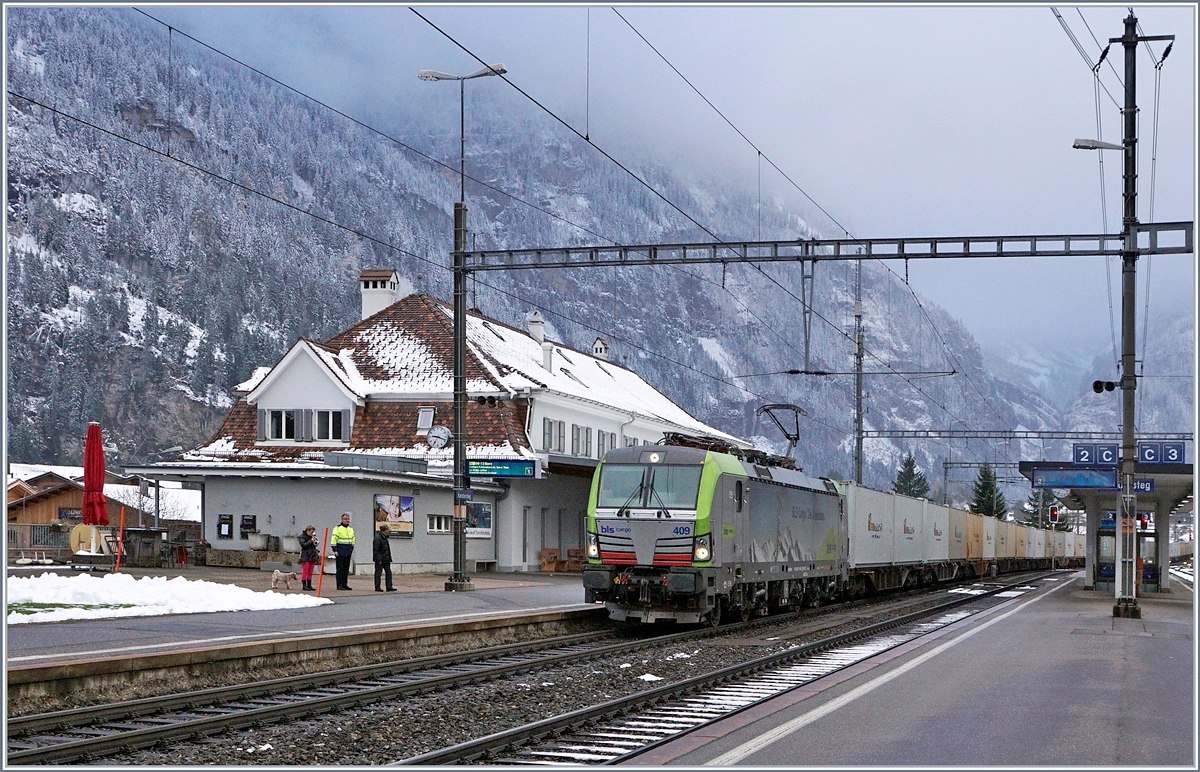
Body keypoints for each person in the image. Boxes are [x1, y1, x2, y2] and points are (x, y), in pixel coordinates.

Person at [330, 512, 355, 591]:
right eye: (345, 519)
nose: (347, 520)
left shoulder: (350, 529)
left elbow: (353, 540)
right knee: (340, 569)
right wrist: (335, 550)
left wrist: (351, 549)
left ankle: (345, 584)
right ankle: (339, 585)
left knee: (346, 569)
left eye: (348, 519)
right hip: (340, 550)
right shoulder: (337, 528)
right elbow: (333, 539)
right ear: (342, 519)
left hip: (348, 551)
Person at [373, 524, 397, 592]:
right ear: (385, 530)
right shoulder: (378, 538)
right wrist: (378, 559)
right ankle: (377, 587)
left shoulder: (385, 537)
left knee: (388, 573)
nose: (389, 530)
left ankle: (389, 586)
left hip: (386, 559)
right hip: (380, 559)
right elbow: (376, 550)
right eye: (388, 529)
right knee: (378, 573)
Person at [298, 525, 319, 591]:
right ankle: (304, 585)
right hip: (306, 556)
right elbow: (303, 545)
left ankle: (309, 585)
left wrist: (315, 541)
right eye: (311, 532)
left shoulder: (312, 537)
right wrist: (311, 540)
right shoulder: (302, 537)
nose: (312, 533)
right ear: (307, 531)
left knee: (310, 571)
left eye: (313, 532)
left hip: (312, 556)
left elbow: (314, 545)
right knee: (305, 571)